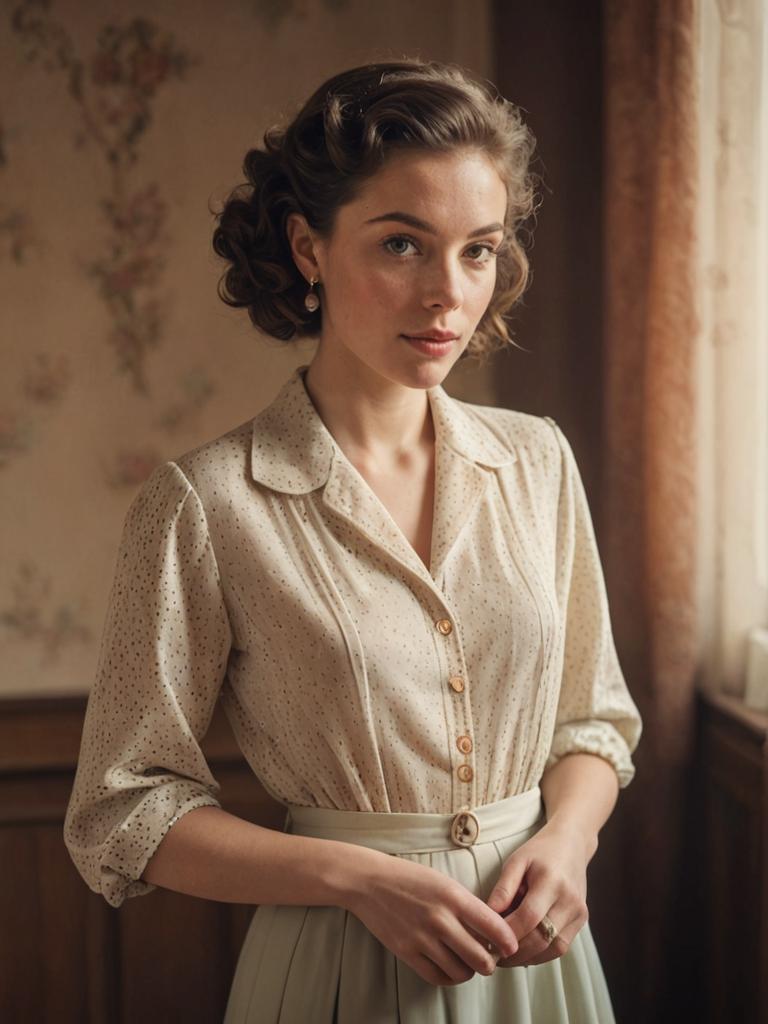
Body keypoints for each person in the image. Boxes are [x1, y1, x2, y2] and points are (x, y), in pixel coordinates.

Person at [63, 58, 643, 1023]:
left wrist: (569, 840)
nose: (447, 295)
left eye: (478, 251)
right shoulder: (205, 505)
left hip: (541, 969)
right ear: (308, 247)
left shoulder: (536, 461)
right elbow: (121, 809)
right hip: (336, 969)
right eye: (403, 245)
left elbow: (592, 722)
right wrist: (357, 878)